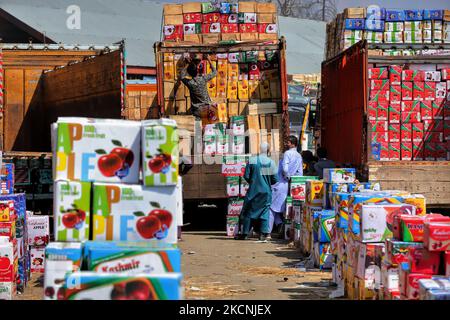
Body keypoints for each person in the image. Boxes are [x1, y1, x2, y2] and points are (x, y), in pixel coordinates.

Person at [236, 142, 278, 241]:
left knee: (249, 211)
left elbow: (246, 176)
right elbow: (275, 179)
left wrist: (254, 181)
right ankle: (263, 234)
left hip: (253, 191)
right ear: (268, 151)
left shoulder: (252, 161)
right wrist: (266, 181)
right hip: (266, 192)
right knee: (265, 212)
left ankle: (245, 233)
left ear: (259, 150)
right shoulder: (271, 163)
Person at [269, 136, 303, 237]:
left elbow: (285, 169)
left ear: (293, 143)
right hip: (290, 185)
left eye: (287, 142)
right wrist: (294, 181)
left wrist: (287, 177)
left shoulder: (288, 153)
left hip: (280, 183)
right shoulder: (298, 156)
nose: (286, 144)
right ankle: (280, 225)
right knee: (284, 209)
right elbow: (300, 173)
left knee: (271, 208)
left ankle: (267, 233)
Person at [180, 54, 217, 120]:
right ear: (197, 71)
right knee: (207, 128)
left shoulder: (189, 82)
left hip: (196, 110)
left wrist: (188, 64)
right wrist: (209, 60)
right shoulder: (203, 79)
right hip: (207, 108)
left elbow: (182, 76)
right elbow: (215, 72)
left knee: (198, 128)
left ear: (189, 73)